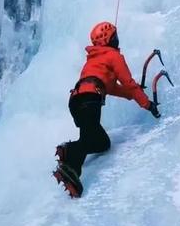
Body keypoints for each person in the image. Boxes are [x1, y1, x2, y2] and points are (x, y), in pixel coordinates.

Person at [54, 21, 159, 197]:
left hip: (76, 102)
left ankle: (67, 150)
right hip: (90, 101)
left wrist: (134, 93)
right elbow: (129, 84)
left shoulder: (93, 62)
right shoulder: (113, 56)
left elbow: (115, 89)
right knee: (88, 140)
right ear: (108, 40)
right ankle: (71, 170)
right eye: (114, 37)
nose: (117, 40)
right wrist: (148, 105)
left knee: (102, 143)